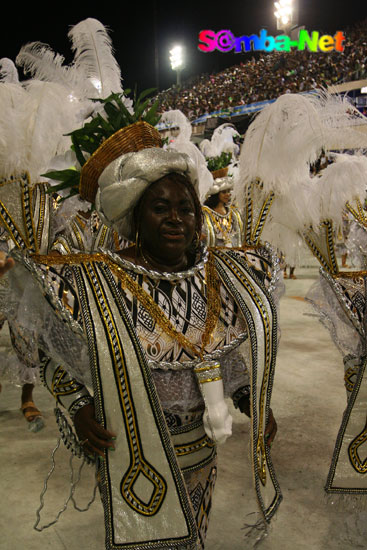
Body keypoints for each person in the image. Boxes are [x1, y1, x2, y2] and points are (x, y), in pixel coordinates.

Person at [0, 137, 281, 549]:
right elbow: (52, 351)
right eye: (160, 207)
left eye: (186, 209)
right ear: (135, 217)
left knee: (192, 538)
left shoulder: (216, 277)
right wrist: (78, 406)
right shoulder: (97, 279)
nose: (175, 219)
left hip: (200, 447)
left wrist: (251, 400)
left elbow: (224, 354)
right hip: (130, 454)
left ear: (199, 220)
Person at [202, 177, 244, 247]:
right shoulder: (206, 212)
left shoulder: (234, 213)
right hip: (212, 252)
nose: (228, 194)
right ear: (216, 194)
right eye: (224, 192)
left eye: (229, 192)